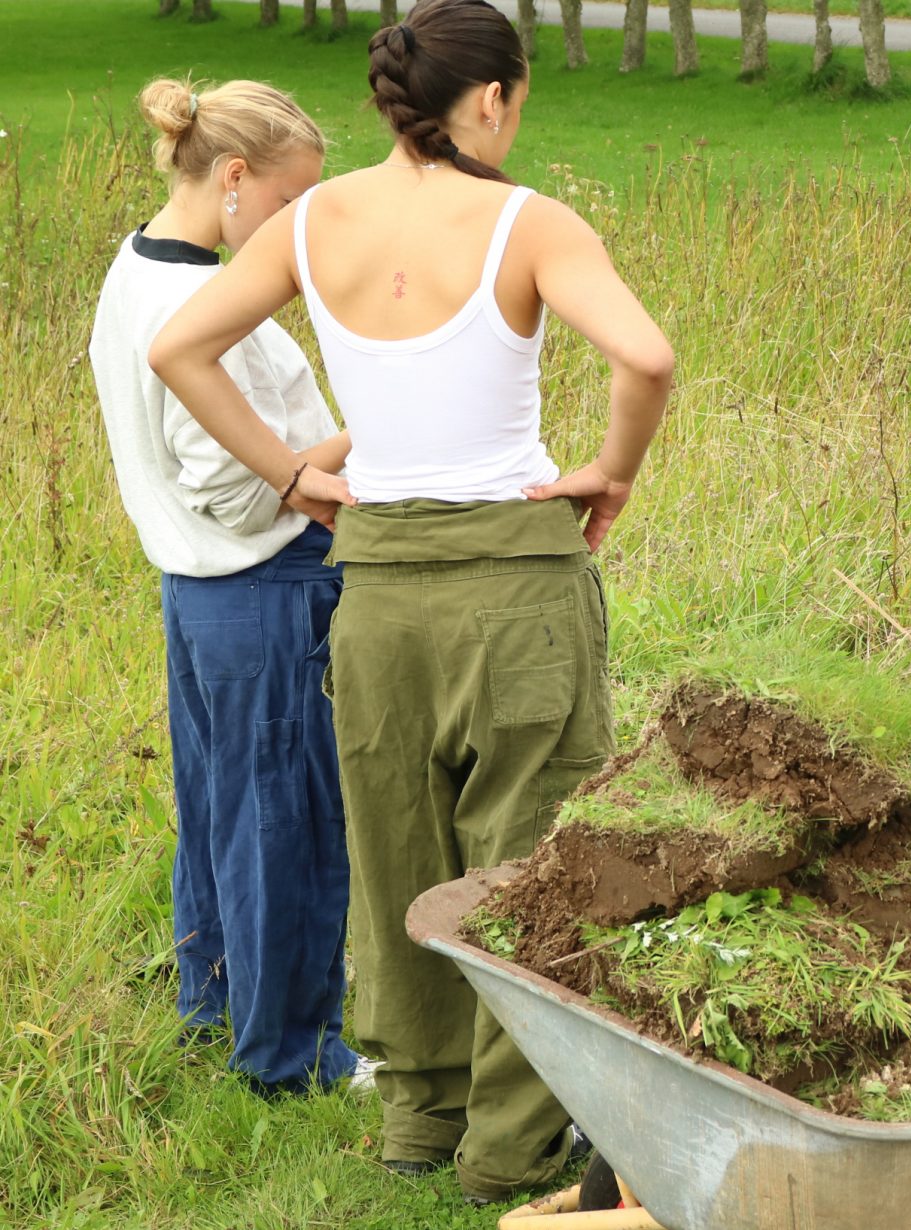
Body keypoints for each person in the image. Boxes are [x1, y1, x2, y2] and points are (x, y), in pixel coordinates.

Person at [150, 0, 674, 1204]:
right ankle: (512, 1143)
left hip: (375, 589)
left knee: (397, 858)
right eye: (519, 100)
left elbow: (179, 349)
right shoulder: (529, 224)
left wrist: (292, 476)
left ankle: (418, 1121)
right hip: (515, 590)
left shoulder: (317, 220)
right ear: (488, 100)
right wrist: (613, 468)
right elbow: (644, 358)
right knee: (528, 867)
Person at [89, 77, 362, 1097]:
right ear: (235, 179)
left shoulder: (136, 265)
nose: (300, 233)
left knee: (218, 811)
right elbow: (249, 500)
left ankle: (213, 1008)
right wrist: (370, 427)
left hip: (193, 590)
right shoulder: (205, 308)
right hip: (259, 586)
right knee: (283, 824)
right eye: (292, 204)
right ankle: (293, 1058)